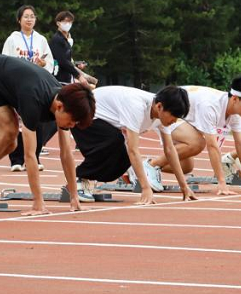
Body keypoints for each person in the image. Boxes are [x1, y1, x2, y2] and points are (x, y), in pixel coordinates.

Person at [0, 54, 95, 216]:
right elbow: (30, 155)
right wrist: (38, 203)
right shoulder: (34, 100)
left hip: (8, 80)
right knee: (9, 132)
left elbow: (66, 154)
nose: (72, 126)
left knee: (11, 144)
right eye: (72, 122)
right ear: (59, 107)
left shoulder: (64, 100)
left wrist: (74, 197)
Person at [59, 85, 194, 210]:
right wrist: (145, 188)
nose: (174, 121)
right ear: (159, 106)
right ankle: (77, 179)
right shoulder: (137, 106)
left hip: (103, 124)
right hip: (82, 117)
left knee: (122, 161)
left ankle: (87, 178)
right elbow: (133, 149)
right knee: (117, 142)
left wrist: (184, 186)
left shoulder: (162, 113)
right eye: (174, 117)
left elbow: (169, 150)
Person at [147, 79, 241, 195]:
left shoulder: (234, 114)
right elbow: (212, 146)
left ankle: (144, 168)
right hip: (168, 110)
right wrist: (222, 183)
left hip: (184, 118)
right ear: (235, 99)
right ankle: (151, 165)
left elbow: (240, 145)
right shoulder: (210, 106)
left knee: (186, 167)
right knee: (197, 143)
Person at [2, 5, 57, 171]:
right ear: (19, 20)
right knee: (17, 121)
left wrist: (43, 64)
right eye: (26, 16)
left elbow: (50, 62)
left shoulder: (41, 40)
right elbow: (4, 61)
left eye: (32, 16)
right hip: (18, 85)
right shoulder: (12, 39)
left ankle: (35, 157)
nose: (29, 19)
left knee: (37, 121)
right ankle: (16, 159)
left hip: (36, 86)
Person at [49, 11, 96, 87]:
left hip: (67, 79)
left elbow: (67, 60)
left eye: (70, 22)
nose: (68, 24)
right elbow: (62, 61)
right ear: (58, 23)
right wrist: (79, 76)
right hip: (59, 80)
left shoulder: (66, 39)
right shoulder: (57, 40)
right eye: (65, 22)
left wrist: (76, 65)